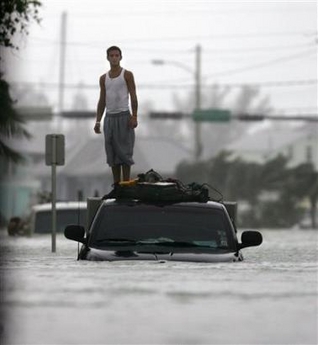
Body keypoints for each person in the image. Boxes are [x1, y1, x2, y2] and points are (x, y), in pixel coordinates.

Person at [94, 45, 138, 184]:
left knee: (124, 152)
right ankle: (117, 185)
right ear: (107, 58)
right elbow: (102, 100)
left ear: (120, 57)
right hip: (109, 118)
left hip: (124, 116)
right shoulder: (103, 78)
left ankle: (126, 183)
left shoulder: (127, 75)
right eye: (111, 56)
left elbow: (133, 96)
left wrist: (134, 116)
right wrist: (98, 121)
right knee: (111, 152)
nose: (114, 58)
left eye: (116, 55)